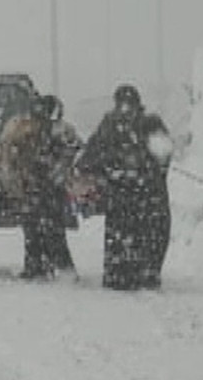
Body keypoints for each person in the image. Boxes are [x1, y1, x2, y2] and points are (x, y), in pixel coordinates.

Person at [74, 83, 173, 290]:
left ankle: (121, 274)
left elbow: (90, 156)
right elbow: (164, 153)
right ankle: (144, 273)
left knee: (123, 236)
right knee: (151, 236)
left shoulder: (111, 125)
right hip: (145, 195)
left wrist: (102, 172)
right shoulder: (146, 123)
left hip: (124, 194)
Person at [0, 94, 81, 280]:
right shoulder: (60, 130)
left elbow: (6, 153)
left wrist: (14, 181)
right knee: (51, 229)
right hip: (46, 187)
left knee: (34, 229)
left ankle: (38, 267)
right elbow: (75, 150)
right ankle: (58, 267)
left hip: (33, 187)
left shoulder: (22, 128)